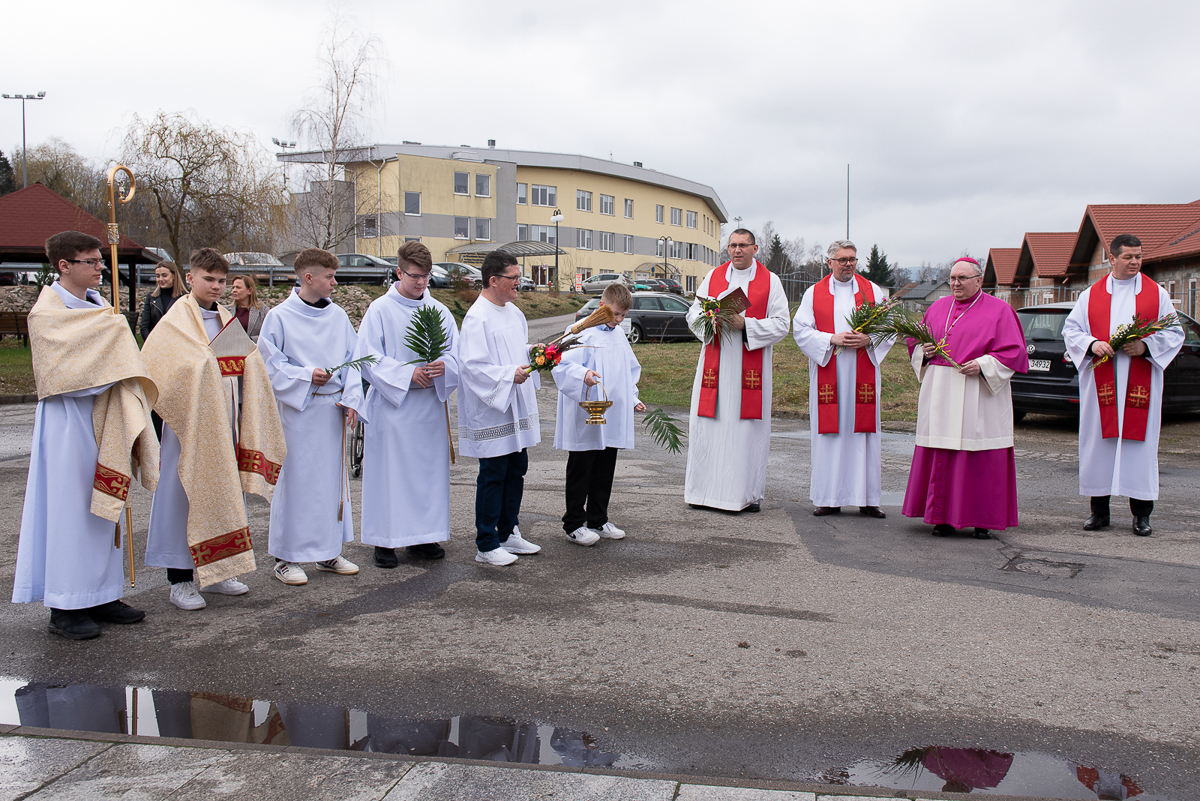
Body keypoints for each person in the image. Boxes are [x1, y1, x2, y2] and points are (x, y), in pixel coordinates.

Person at [12, 231, 159, 640]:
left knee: (105, 502)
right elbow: (58, 375)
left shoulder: (102, 310)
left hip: (106, 414)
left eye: (100, 260)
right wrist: (114, 355)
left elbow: (120, 358)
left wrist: (115, 352)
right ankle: (65, 605)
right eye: (91, 261)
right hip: (68, 420)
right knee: (71, 508)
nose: (100, 268)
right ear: (64, 266)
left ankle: (102, 594)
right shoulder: (47, 315)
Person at [142, 247, 286, 610]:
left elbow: (250, 364)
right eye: (209, 279)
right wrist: (205, 366)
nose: (217, 287)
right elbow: (156, 368)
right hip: (186, 427)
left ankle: (220, 571)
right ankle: (180, 580)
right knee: (182, 497)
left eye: (222, 281)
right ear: (190, 278)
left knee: (223, 493)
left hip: (224, 425)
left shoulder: (226, 320)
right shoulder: (175, 322)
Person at [1062, 234, 1184, 537]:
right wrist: (1092, 344)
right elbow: (1071, 330)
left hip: (1140, 382)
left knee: (1138, 447)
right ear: (1112, 258)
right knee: (1099, 444)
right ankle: (1099, 512)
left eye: (1139, 256)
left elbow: (1174, 333)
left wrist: (1146, 346)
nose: (1135, 262)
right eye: (1128, 257)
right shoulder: (1090, 295)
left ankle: (1141, 515)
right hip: (1101, 384)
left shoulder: (1157, 294)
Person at [258, 248, 364, 585]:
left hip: (332, 410)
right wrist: (306, 375)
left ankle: (328, 551)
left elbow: (354, 360)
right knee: (297, 481)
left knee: (330, 483)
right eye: (329, 277)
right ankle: (286, 557)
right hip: (298, 411)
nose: (334, 283)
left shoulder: (338, 317)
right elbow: (268, 364)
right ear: (308, 277)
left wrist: (352, 399)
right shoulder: (280, 316)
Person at [901, 257, 1029, 538]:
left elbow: (1015, 352)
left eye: (962, 278)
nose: (956, 284)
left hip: (978, 393)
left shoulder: (1000, 310)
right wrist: (924, 351)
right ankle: (942, 517)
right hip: (941, 391)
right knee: (942, 452)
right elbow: (915, 340)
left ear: (979, 281)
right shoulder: (937, 307)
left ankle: (982, 520)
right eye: (952, 278)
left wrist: (983, 365)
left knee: (980, 455)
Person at [352, 241, 460, 567]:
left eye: (426, 276)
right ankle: (385, 540)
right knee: (390, 475)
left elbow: (457, 354)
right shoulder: (380, 310)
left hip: (428, 410)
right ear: (399, 272)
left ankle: (423, 536)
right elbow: (367, 357)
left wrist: (445, 366)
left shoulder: (439, 311)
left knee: (426, 475)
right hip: (392, 408)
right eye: (414, 276)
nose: (421, 282)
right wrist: (406, 374)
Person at [684, 228, 790, 512]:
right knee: (708, 427)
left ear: (755, 248)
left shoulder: (771, 281)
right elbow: (693, 312)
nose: (737, 250)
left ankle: (746, 495)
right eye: (732, 245)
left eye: (743, 245)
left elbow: (782, 324)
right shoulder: (713, 276)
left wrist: (746, 325)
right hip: (715, 364)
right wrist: (709, 319)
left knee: (745, 432)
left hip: (749, 367)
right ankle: (702, 493)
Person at [793, 240, 893, 517]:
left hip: (864, 370)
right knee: (830, 433)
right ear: (830, 263)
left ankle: (867, 499)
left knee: (865, 434)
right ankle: (829, 498)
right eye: (842, 260)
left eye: (852, 259)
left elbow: (890, 326)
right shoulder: (814, 293)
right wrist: (830, 339)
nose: (848, 264)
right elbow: (800, 329)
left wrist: (869, 339)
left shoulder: (872, 290)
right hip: (830, 369)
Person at [458, 250, 543, 566]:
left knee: (516, 469)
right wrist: (509, 375)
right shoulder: (477, 317)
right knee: (493, 474)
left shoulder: (514, 313)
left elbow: (514, 349)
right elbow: (472, 366)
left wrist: (532, 353)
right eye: (514, 278)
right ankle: (486, 542)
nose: (519, 283)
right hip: (492, 409)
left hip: (515, 406)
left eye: (519, 277)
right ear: (493, 280)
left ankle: (508, 532)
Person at [551, 282, 646, 546]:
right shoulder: (580, 331)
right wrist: (583, 375)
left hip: (611, 412)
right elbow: (561, 365)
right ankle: (573, 523)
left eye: (624, 315)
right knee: (582, 466)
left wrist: (632, 398)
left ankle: (598, 518)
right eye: (616, 314)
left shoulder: (618, 335)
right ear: (602, 306)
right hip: (585, 410)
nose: (619, 320)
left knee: (605, 466)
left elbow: (628, 370)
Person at [140, 260, 186, 340]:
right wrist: (151, 343)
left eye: (164, 275)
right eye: (157, 276)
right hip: (155, 342)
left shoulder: (185, 298)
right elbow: (144, 326)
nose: (160, 279)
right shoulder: (151, 298)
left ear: (174, 275)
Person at [230, 274, 268, 341]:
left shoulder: (263, 311)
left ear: (249, 290)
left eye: (238, 287)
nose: (234, 290)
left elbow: (268, 334)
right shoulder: (226, 310)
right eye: (233, 287)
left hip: (253, 346)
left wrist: (248, 340)